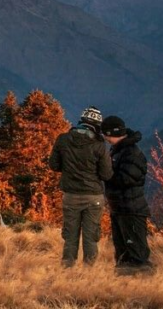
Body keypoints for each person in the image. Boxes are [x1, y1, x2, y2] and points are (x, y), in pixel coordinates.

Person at [48, 106, 113, 267]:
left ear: (82, 120)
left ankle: (67, 268)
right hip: (93, 196)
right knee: (91, 237)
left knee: (70, 236)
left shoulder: (63, 139)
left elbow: (54, 165)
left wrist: (69, 168)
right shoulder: (99, 146)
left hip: (71, 195)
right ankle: (89, 272)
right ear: (97, 125)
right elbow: (106, 175)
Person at [101, 115, 154, 273]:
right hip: (120, 208)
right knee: (123, 252)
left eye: (105, 134)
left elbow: (127, 178)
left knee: (137, 253)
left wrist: (106, 175)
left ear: (111, 133)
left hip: (131, 209)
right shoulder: (118, 150)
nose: (104, 138)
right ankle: (125, 281)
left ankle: (144, 281)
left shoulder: (131, 153)